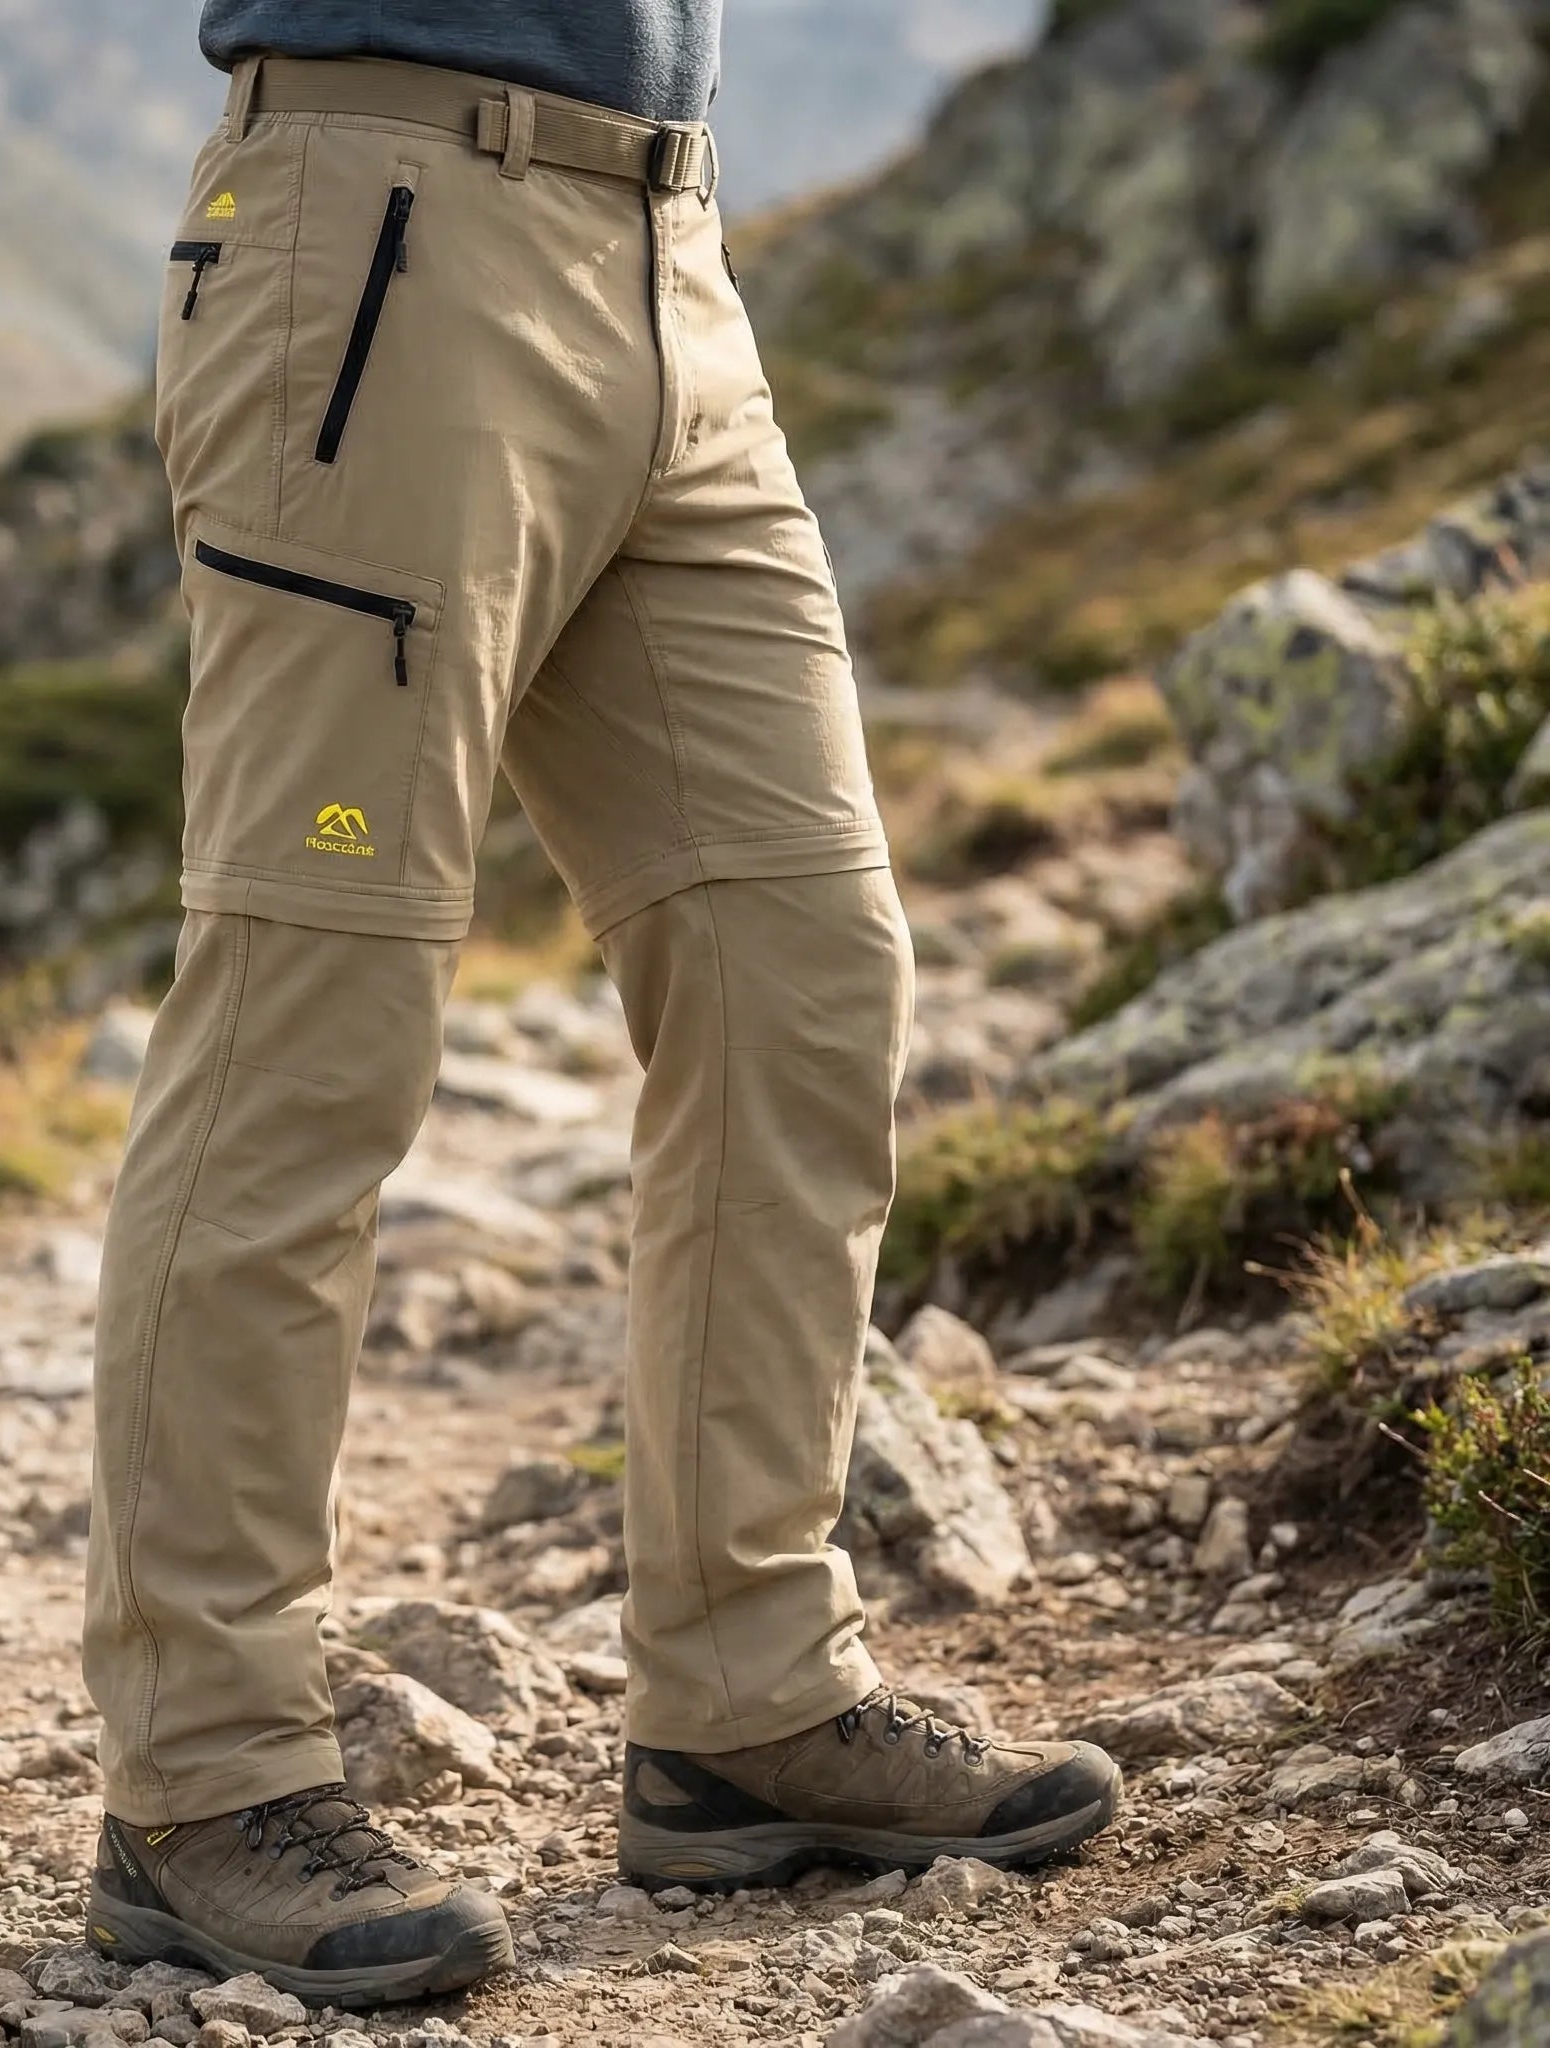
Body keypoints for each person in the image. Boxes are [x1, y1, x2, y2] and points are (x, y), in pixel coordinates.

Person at [81, 0, 1123, 2008]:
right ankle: (201, 1773)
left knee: (802, 963)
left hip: (667, 255)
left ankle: (744, 1688)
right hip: (380, 240)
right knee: (315, 1012)